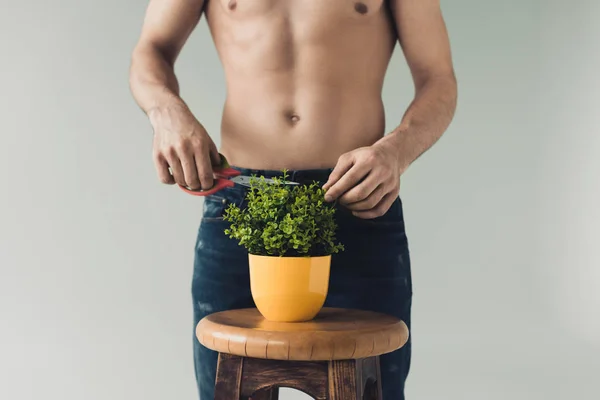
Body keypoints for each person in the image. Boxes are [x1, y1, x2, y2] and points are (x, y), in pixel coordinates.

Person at [129, 0, 457, 398]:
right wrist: (167, 113)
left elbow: (438, 78)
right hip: (241, 204)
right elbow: (151, 48)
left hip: (355, 203)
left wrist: (395, 152)